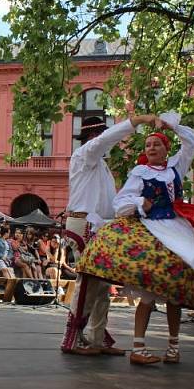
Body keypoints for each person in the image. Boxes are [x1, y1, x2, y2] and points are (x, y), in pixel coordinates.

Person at [77, 114, 194, 365]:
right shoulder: (139, 172)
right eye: (148, 145)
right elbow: (121, 202)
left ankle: (173, 347)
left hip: (176, 228)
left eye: (156, 144)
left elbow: (191, 141)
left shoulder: (175, 167)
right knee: (148, 292)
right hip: (151, 228)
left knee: (176, 290)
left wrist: (172, 125)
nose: (151, 148)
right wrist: (141, 203)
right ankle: (138, 347)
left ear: (165, 149)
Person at [60, 114, 161, 357]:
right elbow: (104, 141)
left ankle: (96, 337)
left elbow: (110, 201)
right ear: (94, 136)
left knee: (102, 283)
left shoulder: (98, 164)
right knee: (89, 283)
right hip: (85, 224)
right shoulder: (86, 154)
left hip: (97, 225)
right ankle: (71, 339)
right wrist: (136, 121)